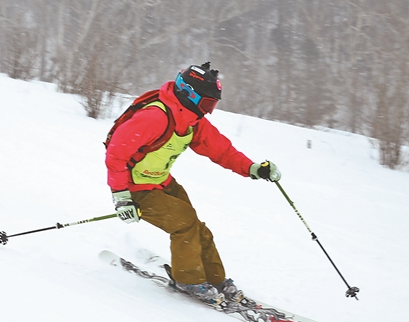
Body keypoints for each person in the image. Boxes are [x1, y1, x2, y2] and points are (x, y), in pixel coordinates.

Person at [105, 62, 281, 308]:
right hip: (134, 186)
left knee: (197, 228)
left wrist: (252, 168)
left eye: (213, 105)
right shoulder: (155, 115)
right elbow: (116, 154)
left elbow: (221, 149)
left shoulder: (191, 120)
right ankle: (188, 280)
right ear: (189, 93)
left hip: (161, 181)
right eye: (207, 103)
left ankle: (215, 279)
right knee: (184, 223)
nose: (209, 111)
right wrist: (121, 196)